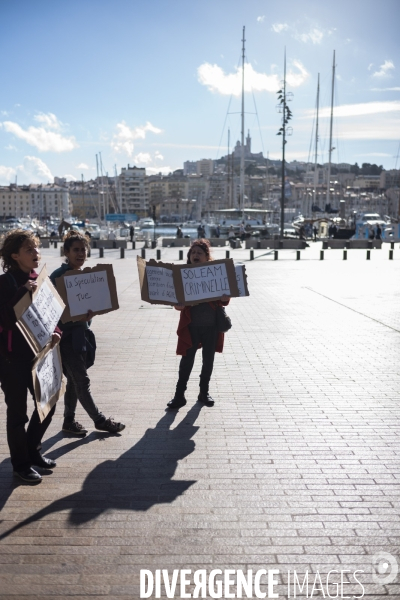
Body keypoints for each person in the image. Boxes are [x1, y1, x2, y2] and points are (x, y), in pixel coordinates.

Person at [0, 229, 61, 484]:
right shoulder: (6, 282)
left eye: (36, 248)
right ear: (15, 255)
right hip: (12, 359)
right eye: (29, 249)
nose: (36, 253)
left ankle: (33, 449)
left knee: (48, 403)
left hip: (39, 354)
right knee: (18, 413)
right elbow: (5, 318)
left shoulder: (41, 278)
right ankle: (21, 464)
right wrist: (23, 291)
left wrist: (57, 332)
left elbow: (52, 313)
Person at [50, 231, 125, 436]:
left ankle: (68, 421)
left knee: (75, 381)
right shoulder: (58, 276)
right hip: (66, 338)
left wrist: (89, 315)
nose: (81, 253)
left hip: (81, 336)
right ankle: (99, 420)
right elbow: (49, 310)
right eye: (76, 250)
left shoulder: (85, 276)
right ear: (66, 252)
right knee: (81, 380)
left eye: (83, 249)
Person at [167, 239, 230, 410]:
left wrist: (225, 298)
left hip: (211, 326)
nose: (195, 255)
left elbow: (224, 299)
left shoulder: (215, 272)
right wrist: (177, 305)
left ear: (207, 257)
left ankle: (204, 392)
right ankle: (179, 396)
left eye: (199, 253)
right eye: (193, 253)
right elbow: (177, 300)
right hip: (191, 326)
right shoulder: (182, 274)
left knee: (208, 361)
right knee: (186, 362)